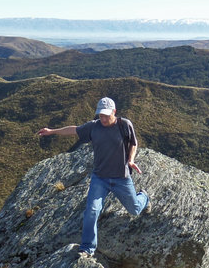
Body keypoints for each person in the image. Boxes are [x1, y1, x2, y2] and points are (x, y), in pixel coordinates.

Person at [37, 97, 150, 258]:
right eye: (100, 115)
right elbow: (74, 129)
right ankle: (87, 248)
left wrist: (131, 160)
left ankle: (144, 196)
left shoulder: (124, 125)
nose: (102, 118)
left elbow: (133, 143)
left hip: (121, 178)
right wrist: (52, 131)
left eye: (106, 115)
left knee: (135, 209)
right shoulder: (94, 127)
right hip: (100, 178)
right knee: (91, 210)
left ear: (114, 112)